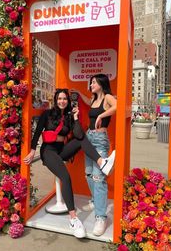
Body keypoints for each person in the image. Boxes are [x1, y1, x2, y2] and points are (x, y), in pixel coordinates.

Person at [23, 89, 115, 239]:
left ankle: (101, 163)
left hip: (62, 150)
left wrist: (76, 118)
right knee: (66, 177)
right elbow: (37, 132)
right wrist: (32, 151)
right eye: (59, 99)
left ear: (68, 101)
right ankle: (73, 219)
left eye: (65, 99)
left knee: (81, 138)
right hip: (48, 151)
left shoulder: (69, 116)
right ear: (55, 100)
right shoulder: (47, 114)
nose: (62, 101)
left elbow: (78, 135)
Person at [74, 74, 117, 236]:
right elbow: (86, 100)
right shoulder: (93, 100)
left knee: (99, 179)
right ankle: (94, 201)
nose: (91, 85)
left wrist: (101, 115)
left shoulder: (107, 97)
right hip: (89, 138)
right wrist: (77, 93)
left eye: (93, 82)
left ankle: (101, 217)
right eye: (90, 82)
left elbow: (117, 106)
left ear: (101, 83)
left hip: (100, 140)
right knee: (89, 174)